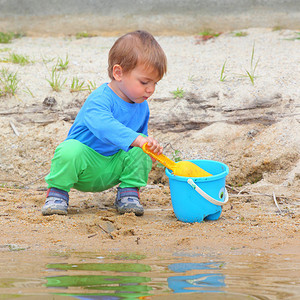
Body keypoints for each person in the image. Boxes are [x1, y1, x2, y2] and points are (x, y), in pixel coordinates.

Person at [41, 30, 167, 217]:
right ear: (118, 73)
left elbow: (138, 139)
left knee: (142, 147)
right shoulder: (100, 99)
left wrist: (149, 149)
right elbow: (104, 126)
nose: (150, 89)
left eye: (155, 83)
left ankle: (129, 193)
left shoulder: (142, 106)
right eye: (144, 82)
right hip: (84, 164)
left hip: (114, 165)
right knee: (68, 150)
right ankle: (57, 193)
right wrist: (137, 140)